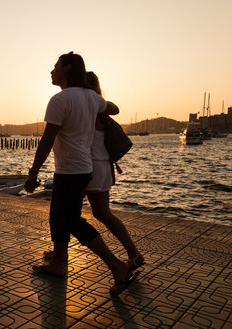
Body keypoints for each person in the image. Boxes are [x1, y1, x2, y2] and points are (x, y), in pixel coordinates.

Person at [25, 51, 138, 294]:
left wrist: (33, 172)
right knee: (57, 217)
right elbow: (113, 107)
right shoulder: (92, 98)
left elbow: (47, 140)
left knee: (71, 220)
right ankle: (57, 263)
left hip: (71, 171)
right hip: (80, 169)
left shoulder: (59, 100)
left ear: (67, 69)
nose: (51, 71)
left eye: (56, 66)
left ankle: (117, 267)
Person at [43, 72, 144, 271]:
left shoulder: (87, 106)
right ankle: (134, 253)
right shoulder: (98, 107)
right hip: (103, 165)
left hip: (86, 167)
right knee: (101, 213)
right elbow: (114, 108)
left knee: (65, 214)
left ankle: (63, 257)